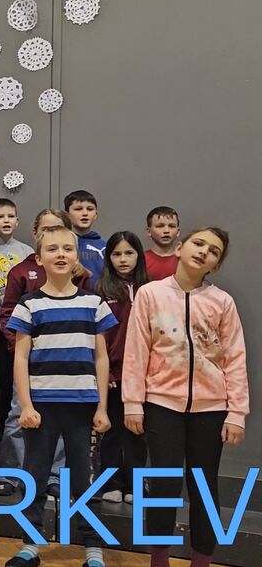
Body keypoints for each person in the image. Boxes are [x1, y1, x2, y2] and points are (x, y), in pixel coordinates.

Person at [123, 227, 248, 567]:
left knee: (204, 487)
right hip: (161, 404)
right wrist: (133, 403)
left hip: (211, 409)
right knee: (164, 484)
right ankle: (159, 559)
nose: (204, 251)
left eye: (213, 251)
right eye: (198, 243)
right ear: (180, 248)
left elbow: (235, 358)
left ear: (215, 265)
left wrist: (237, 412)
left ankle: (202, 561)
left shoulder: (222, 302)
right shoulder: (150, 294)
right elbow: (136, 351)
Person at [5, 225, 117, 567]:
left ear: (76, 256)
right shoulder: (29, 304)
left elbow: (101, 358)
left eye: (67, 248)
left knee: (84, 479)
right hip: (42, 407)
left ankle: (93, 548)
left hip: (82, 407)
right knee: (35, 476)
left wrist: (102, 407)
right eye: (52, 249)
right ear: (39, 258)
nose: (60, 254)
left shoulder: (94, 303)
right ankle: (30, 545)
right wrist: (26, 405)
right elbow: (20, 357)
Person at [0, 208, 91, 497]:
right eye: (46, 230)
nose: (52, 236)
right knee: (18, 413)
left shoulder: (79, 274)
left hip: (63, 365)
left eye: (58, 229)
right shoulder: (20, 271)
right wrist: (22, 348)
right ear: (36, 234)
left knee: (59, 420)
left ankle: (54, 476)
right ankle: (13, 474)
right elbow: (7, 314)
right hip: (28, 361)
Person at [95, 231, 150, 505]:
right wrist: (105, 372)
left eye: (129, 253)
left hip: (142, 375)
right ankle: (111, 483)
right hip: (113, 373)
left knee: (137, 431)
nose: (123, 259)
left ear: (139, 256)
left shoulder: (149, 290)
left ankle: (135, 484)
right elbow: (99, 337)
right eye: (116, 254)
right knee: (112, 431)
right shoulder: (101, 290)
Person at [0, 198, 35, 438]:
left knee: (14, 375)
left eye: (10, 216)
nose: (6, 221)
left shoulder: (27, 252)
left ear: (17, 221)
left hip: (18, 325)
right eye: (0, 217)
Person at [65, 190, 106, 286]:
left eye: (90, 209)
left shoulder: (105, 246)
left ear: (95, 215)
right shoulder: (63, 244)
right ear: (67, 215)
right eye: (78, 209)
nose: (85, 213)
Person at [143, 206, 180, 281]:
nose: (166, 231)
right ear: (149, 231)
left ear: (178, 232)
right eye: (160, 226)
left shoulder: (185, 259)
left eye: (171, 226)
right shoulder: (141, 260)